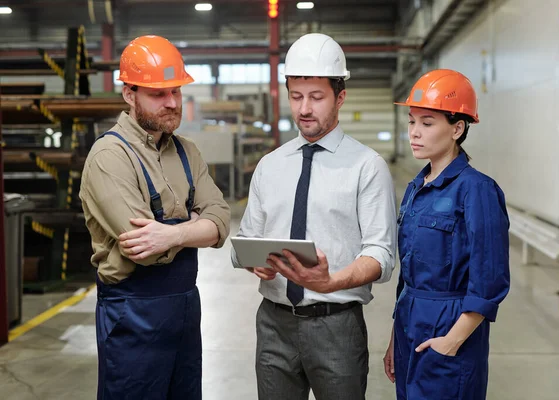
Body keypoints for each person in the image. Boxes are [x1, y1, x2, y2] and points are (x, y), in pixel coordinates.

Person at [230, 32, 397, 400]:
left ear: (340, 97)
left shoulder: (366, 167)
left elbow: (381, 256)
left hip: (336, 327)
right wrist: (255, 262)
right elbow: (243, 243)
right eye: (296, 96)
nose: (304, 108)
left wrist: (330, 282)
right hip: (273, 323)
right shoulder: (270, 165)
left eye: (316, 97)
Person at [79, 35, 230, 400]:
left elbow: (222, 220)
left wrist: (173, 234)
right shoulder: (109, 156)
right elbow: (145, 249)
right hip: (132, 317)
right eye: (158, 94)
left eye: (176, 91)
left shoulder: (186, 151)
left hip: (184, 311)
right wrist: (195, 224)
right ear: (129, 94)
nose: (173, 103)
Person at [383, 69, 510, 399]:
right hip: (410, 321)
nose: (414, 132)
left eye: (427, 123)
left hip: (450, 325)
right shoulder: (416, 187)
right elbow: (408, 273)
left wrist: (450, 342)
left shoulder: (477, 190)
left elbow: (490, 280)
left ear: (457, 128)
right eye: (412, 121)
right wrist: (396, 336)